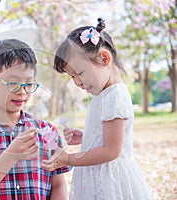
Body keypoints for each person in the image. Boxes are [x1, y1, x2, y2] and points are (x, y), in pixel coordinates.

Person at [41, 18, 153, 199]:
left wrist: (69, 159)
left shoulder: (115, 95)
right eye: (72, 77)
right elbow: (109, 138)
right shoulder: (104, 94)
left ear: (104, 58)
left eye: (80, 73)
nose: (77, 82)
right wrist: (87, 138)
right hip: (98, 173)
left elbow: (112, 150)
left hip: (111, 181)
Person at [0, 39, 71, 200]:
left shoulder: (47, 132)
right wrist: (10, 156)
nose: (22, 91)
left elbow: (58, 185)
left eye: (29, 84)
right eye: (13, 83)